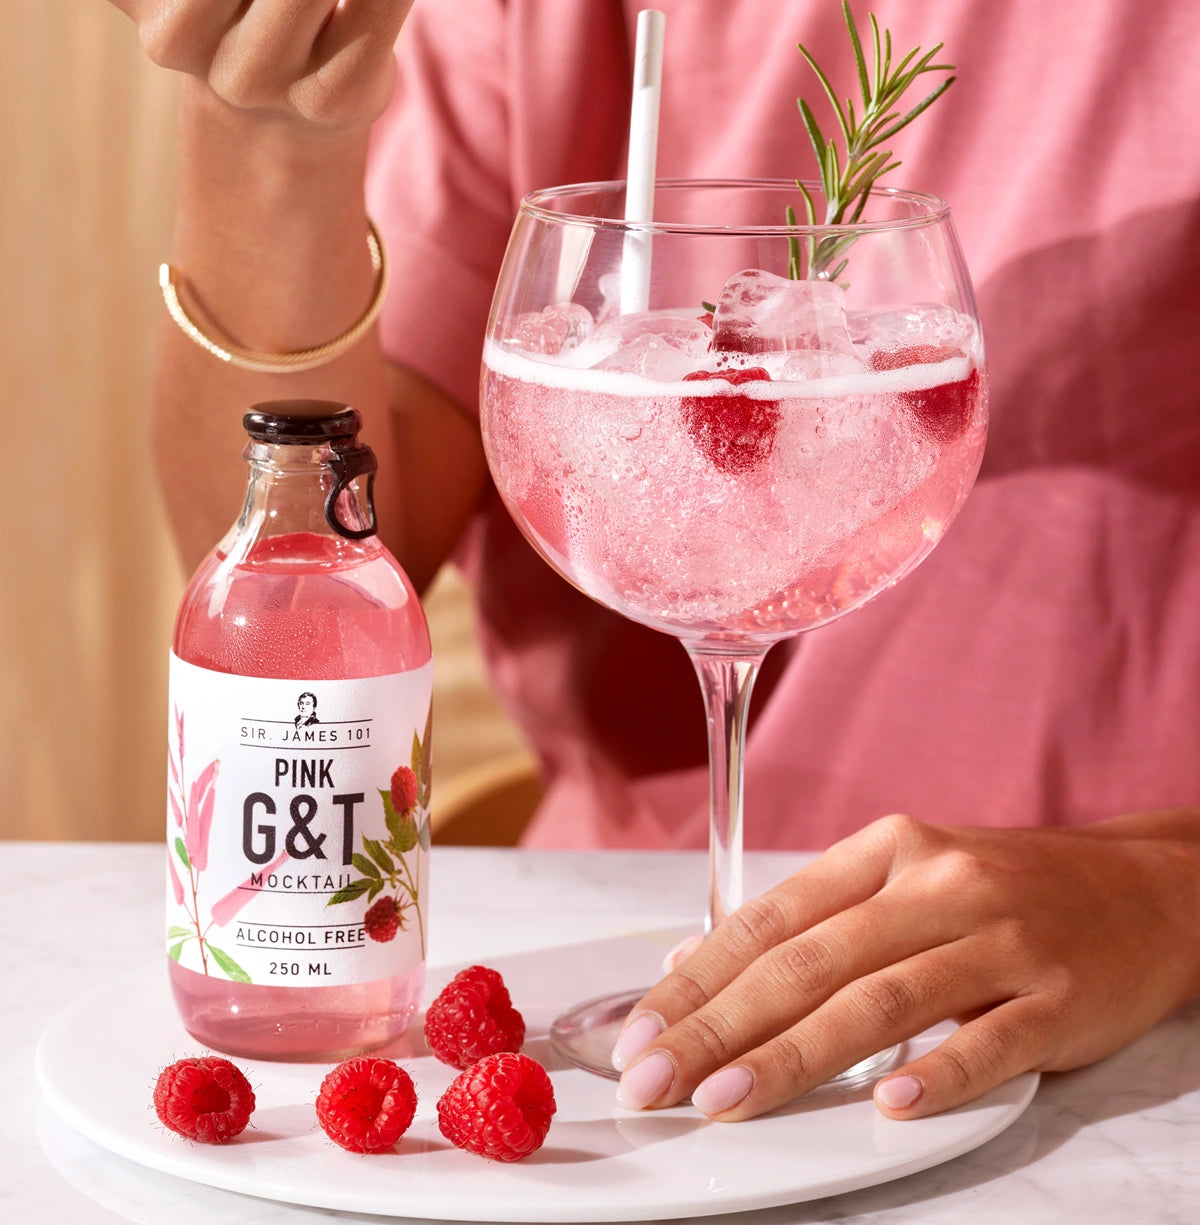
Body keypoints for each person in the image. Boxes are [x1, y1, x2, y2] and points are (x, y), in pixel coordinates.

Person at [108, 0, 1200, 1123]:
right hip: (610, 989)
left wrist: (1174, 892)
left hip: (1140, 1043)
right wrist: (273, 121)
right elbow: (297, 576)